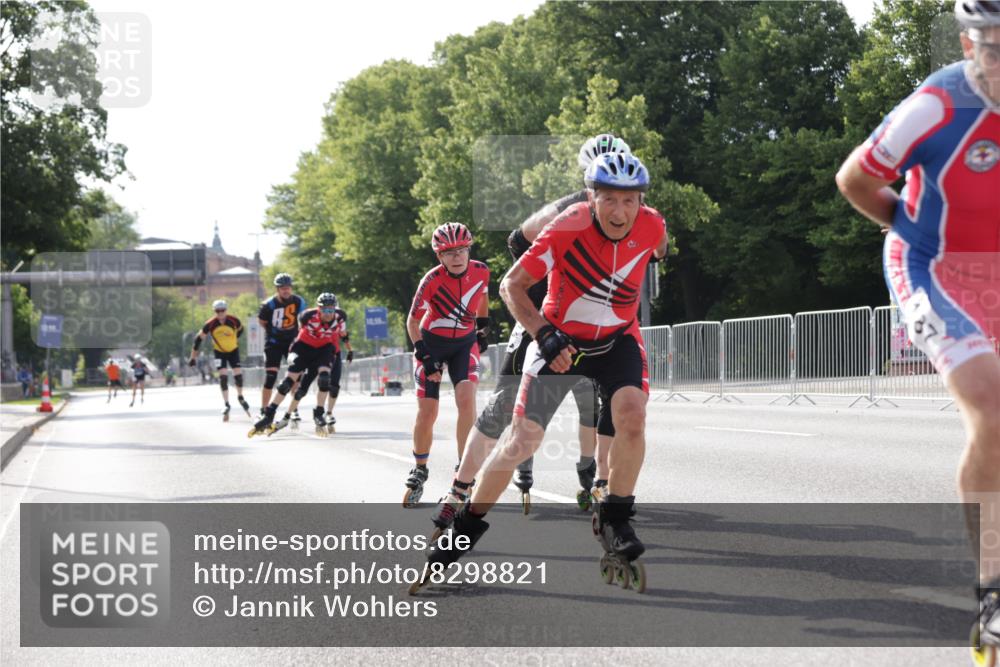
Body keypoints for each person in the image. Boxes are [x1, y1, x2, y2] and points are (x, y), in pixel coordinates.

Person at [414, 152, 667, 592]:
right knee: (521, 441)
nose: (621, 212)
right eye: (610, 200)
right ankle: (465, 528)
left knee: (633, 415)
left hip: (617, 340)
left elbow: (659, 249)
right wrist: (543, 333)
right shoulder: (569, 223)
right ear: (591, 196)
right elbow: (511, 284)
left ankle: (617, 520)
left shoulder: (653, 225)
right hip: (560, 343)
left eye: (631, 201)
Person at [835, 1, 999, 658]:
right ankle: (993, 589)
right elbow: (854, 178)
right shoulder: (936, 105)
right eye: (994, 46)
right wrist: (910, 228)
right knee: (991, 403)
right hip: (932, 266)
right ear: (969, 43)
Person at [431, 134, 642, 530]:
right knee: (501, 409)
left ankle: (599, 482)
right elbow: (516, 241)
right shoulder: (570, 210)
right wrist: (543, 299)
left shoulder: (634, 215)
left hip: (597, 326)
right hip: (545, 322)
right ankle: (459, 490)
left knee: (609, 405)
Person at [404, 222, 490, 507]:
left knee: (466, 399)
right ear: (439, 256)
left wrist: (484, 326)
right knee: (428, 411)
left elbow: (484, 295)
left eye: (462, 250)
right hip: (432, 344)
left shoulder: (481, 270)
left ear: (469, 249)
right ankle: (420, 467)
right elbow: (412, 321)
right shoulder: (431, 280)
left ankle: (462, 470)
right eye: (449, 252)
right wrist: (424, 354)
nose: (457, 257)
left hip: (464, 345)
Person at [250, 293, 342, 437]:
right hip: (304, 347)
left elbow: (337, 338)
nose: (328, 314)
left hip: (324, 349)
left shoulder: (340, 317)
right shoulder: (307, 316)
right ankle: (269, 413)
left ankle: (319, 413)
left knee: (324, 379)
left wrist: (336, 355)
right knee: (286, 384)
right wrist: (292, 352)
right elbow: (297, 336)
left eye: (331, 310)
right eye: (325, 310)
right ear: (319, 309)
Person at [189, 300, 250, 420]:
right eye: (218, 311)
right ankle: (226, 403)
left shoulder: (234, 320)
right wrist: (193, 357)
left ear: (226, 310)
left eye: (223, 310)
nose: (221, 313)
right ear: (214, 311)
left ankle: (240, 396)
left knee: (238, 375)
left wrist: (234, 338)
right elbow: (198, 339)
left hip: (233, 350)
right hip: (219, 352)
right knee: (223, 377)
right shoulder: (210, 324)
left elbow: (241, 329)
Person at [257, 273, 308, 414]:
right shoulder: (268, 305)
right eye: (282, 288)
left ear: (291, 288)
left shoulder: (298, 301)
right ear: (277, 289)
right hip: (274, 343)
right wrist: (276, 331)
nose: (286, 290)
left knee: (296, 376)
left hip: (292, 342)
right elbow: (262, 322)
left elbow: (303, 319)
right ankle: (264, 409)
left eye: (288, 288)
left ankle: (294, 410)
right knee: (271, 377)